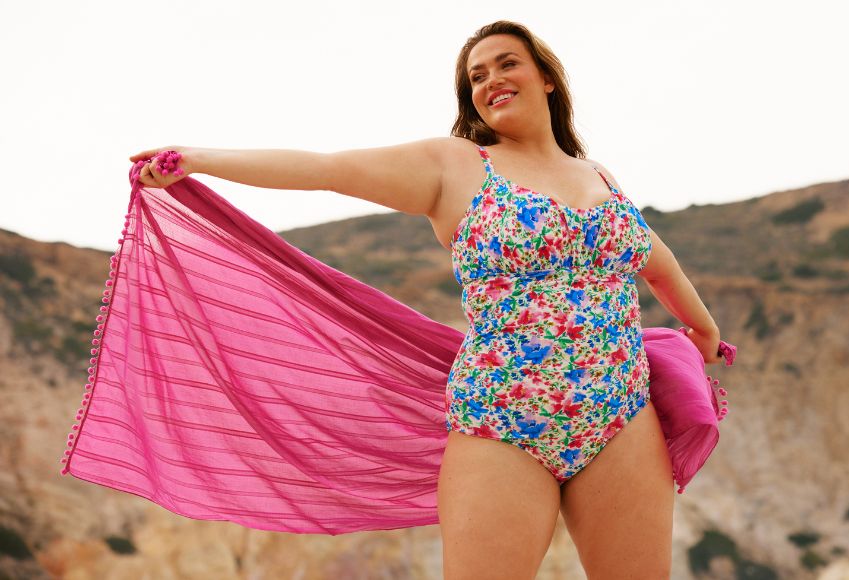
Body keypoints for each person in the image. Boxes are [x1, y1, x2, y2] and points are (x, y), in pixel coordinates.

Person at [129, 20, 723, 580]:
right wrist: (199, 161)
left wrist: (702, 329)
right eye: (477, 75)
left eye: (505, 63)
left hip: (619, 415)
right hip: (501, 421)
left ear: (546, 76)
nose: (491, 80)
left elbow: (653, 258)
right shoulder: (457, 166)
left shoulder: (599, 176)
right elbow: (326, 169)